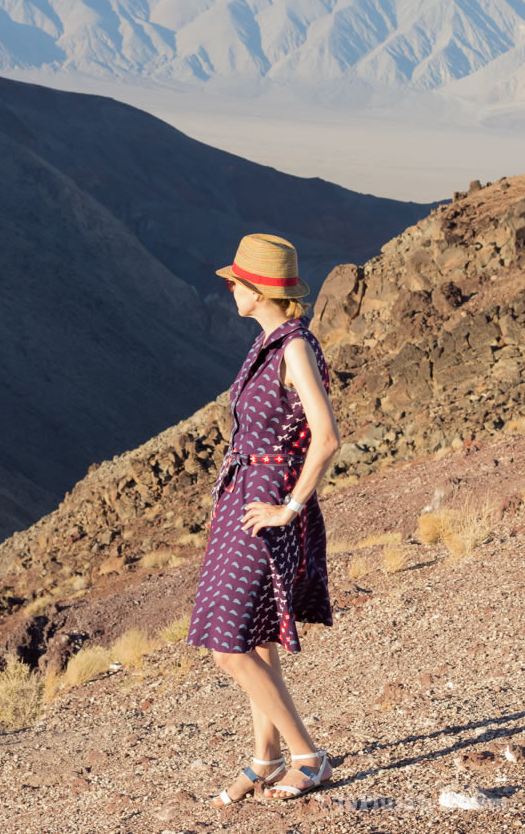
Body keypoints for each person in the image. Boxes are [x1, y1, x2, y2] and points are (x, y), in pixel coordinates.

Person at [186, 233, 341, 805]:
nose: (229, 288)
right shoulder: (271, 342)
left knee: (228, 646)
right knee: (253, 634)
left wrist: (290, 508)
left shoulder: (293, 347)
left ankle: (308, 756)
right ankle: (265, 758)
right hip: (244, 497)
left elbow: (326, 438)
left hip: (268, 502)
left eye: (236, 281)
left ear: (258, 290)